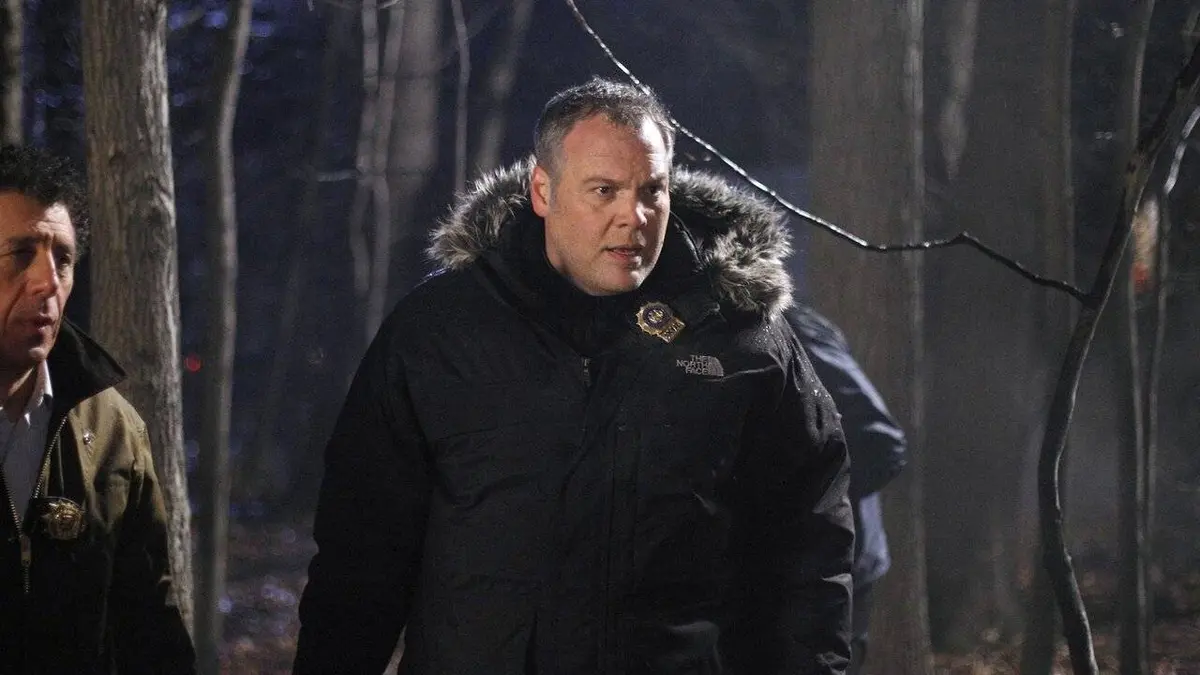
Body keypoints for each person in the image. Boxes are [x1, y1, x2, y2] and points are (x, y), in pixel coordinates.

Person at [295, 77, 853, 674]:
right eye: (604, 191)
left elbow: (807, 546)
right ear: (543, 190)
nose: (632, 217)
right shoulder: (440, 332)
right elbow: (362, 553)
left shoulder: (742, 340)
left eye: (651, 191)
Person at [0, 145, 196, 674]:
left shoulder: (112, 429)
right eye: (21, 253)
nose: (48, 281)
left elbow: (149, 623)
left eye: (62, 259)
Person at [787, 305, 907, 675]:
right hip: (802, 570)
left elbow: (882, 445)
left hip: (834, 569)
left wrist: (810, 512)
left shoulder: (792, 331)